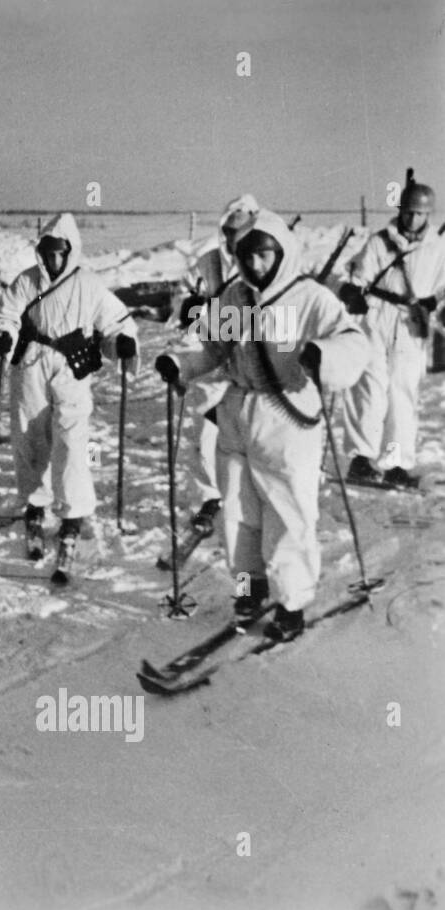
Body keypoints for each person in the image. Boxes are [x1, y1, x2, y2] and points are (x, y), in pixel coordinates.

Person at [155, 210, 372, 642]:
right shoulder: (235, 297)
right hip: (236, 412)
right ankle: (247, 591)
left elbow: (353, 343)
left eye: (263, 254)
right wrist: (180, 365)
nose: (254, 264)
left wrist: (322, 356)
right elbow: (214, 350)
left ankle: (291, 604)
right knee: (236, 516)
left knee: (287, 517)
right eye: (245, 255)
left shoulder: (311, 298)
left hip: (288, 418)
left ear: (281, 252)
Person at [0, 213, 139, 583]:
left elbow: (115, 322)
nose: (53, 260)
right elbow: (1, 315)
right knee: (30, 437)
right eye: (47, 252)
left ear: (71, 251)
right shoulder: (27, 281)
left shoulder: (89, 284)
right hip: (31, 365)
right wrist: (2, 334)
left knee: (71, 441)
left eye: (59, 253)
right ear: (40, 252)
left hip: (71, 368)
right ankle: (35, 505)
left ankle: (73, 515)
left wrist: (122, 342)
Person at [334, 178, 445, 489]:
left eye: (420, 214)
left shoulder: (438, 248)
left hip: (410, 324)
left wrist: (432, 301)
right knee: (369, 387)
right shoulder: (379, 242)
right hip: (375, 317)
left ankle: (395, 462)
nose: (412, 220)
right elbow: (354, 275)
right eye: (408, 212)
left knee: (402, 393)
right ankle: (362, 459)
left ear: (428, 216)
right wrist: (351, 292)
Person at [175, 195, 260, 534]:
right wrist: (190, 308)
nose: (232, 238)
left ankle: (253, 493)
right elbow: (186, 302)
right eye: (228, 231)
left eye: (239, 231)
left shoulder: (267, 259)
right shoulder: (208, 262)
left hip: (255, 358)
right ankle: (209, 498)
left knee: (254, 430)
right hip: (214, 352)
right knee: (205, 430)